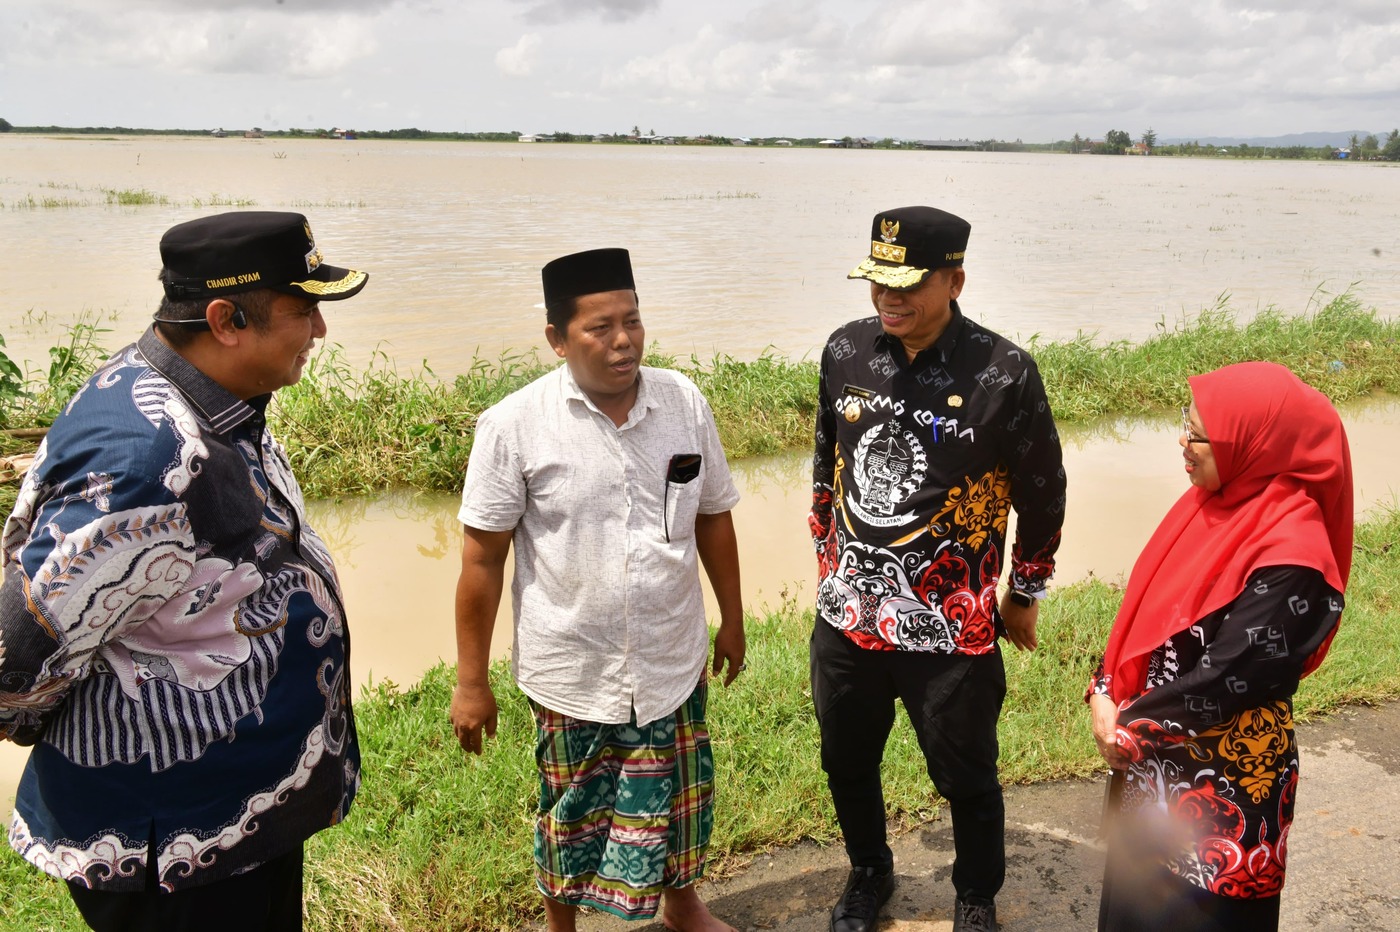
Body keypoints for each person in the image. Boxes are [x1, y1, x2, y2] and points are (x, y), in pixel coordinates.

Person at [0, 211, 368, 930]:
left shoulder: (215, 404)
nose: (319, 332)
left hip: (232, 820)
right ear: (226, 320)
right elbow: (16, 660)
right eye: (304, 310)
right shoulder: (142, 459)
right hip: (171, 850)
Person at [449, 247, 745, 932]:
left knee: (681, 799)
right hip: (572, 667)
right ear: (556, 338)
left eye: (633, 322)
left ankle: (683, 905)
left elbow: (713, 516)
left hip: (672, 654)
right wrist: (472, 681)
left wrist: (731, 618)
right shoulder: (513, 425)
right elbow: (481, 563)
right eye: (600, 328)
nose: (623, 342)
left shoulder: (683, 402)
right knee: (571, 813)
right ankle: (562, 927)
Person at [809, 206, 1067, 932]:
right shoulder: (845, 351)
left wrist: (1024, 591)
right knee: (846, 761)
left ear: (954, 279)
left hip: (951, 630)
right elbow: (827, 458)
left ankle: (975, 899)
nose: (889, 299)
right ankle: (868, 872)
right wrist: (829, 555)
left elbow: (1043, 492)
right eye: (877, 282)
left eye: (908, 284)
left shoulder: (1004, 371)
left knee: (967, 778)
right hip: (849, 620)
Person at [1089, 361, 1352, 931]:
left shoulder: (1294, 554)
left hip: (1225, 794)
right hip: (1149, 771)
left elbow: (1230, 677)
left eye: (1200, 433)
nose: (1183, 440)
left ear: (1257, 442)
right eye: (1186, 421)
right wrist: (1105, 688)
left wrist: (1126, 728)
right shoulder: (1208, 508)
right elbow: (1145, 626)